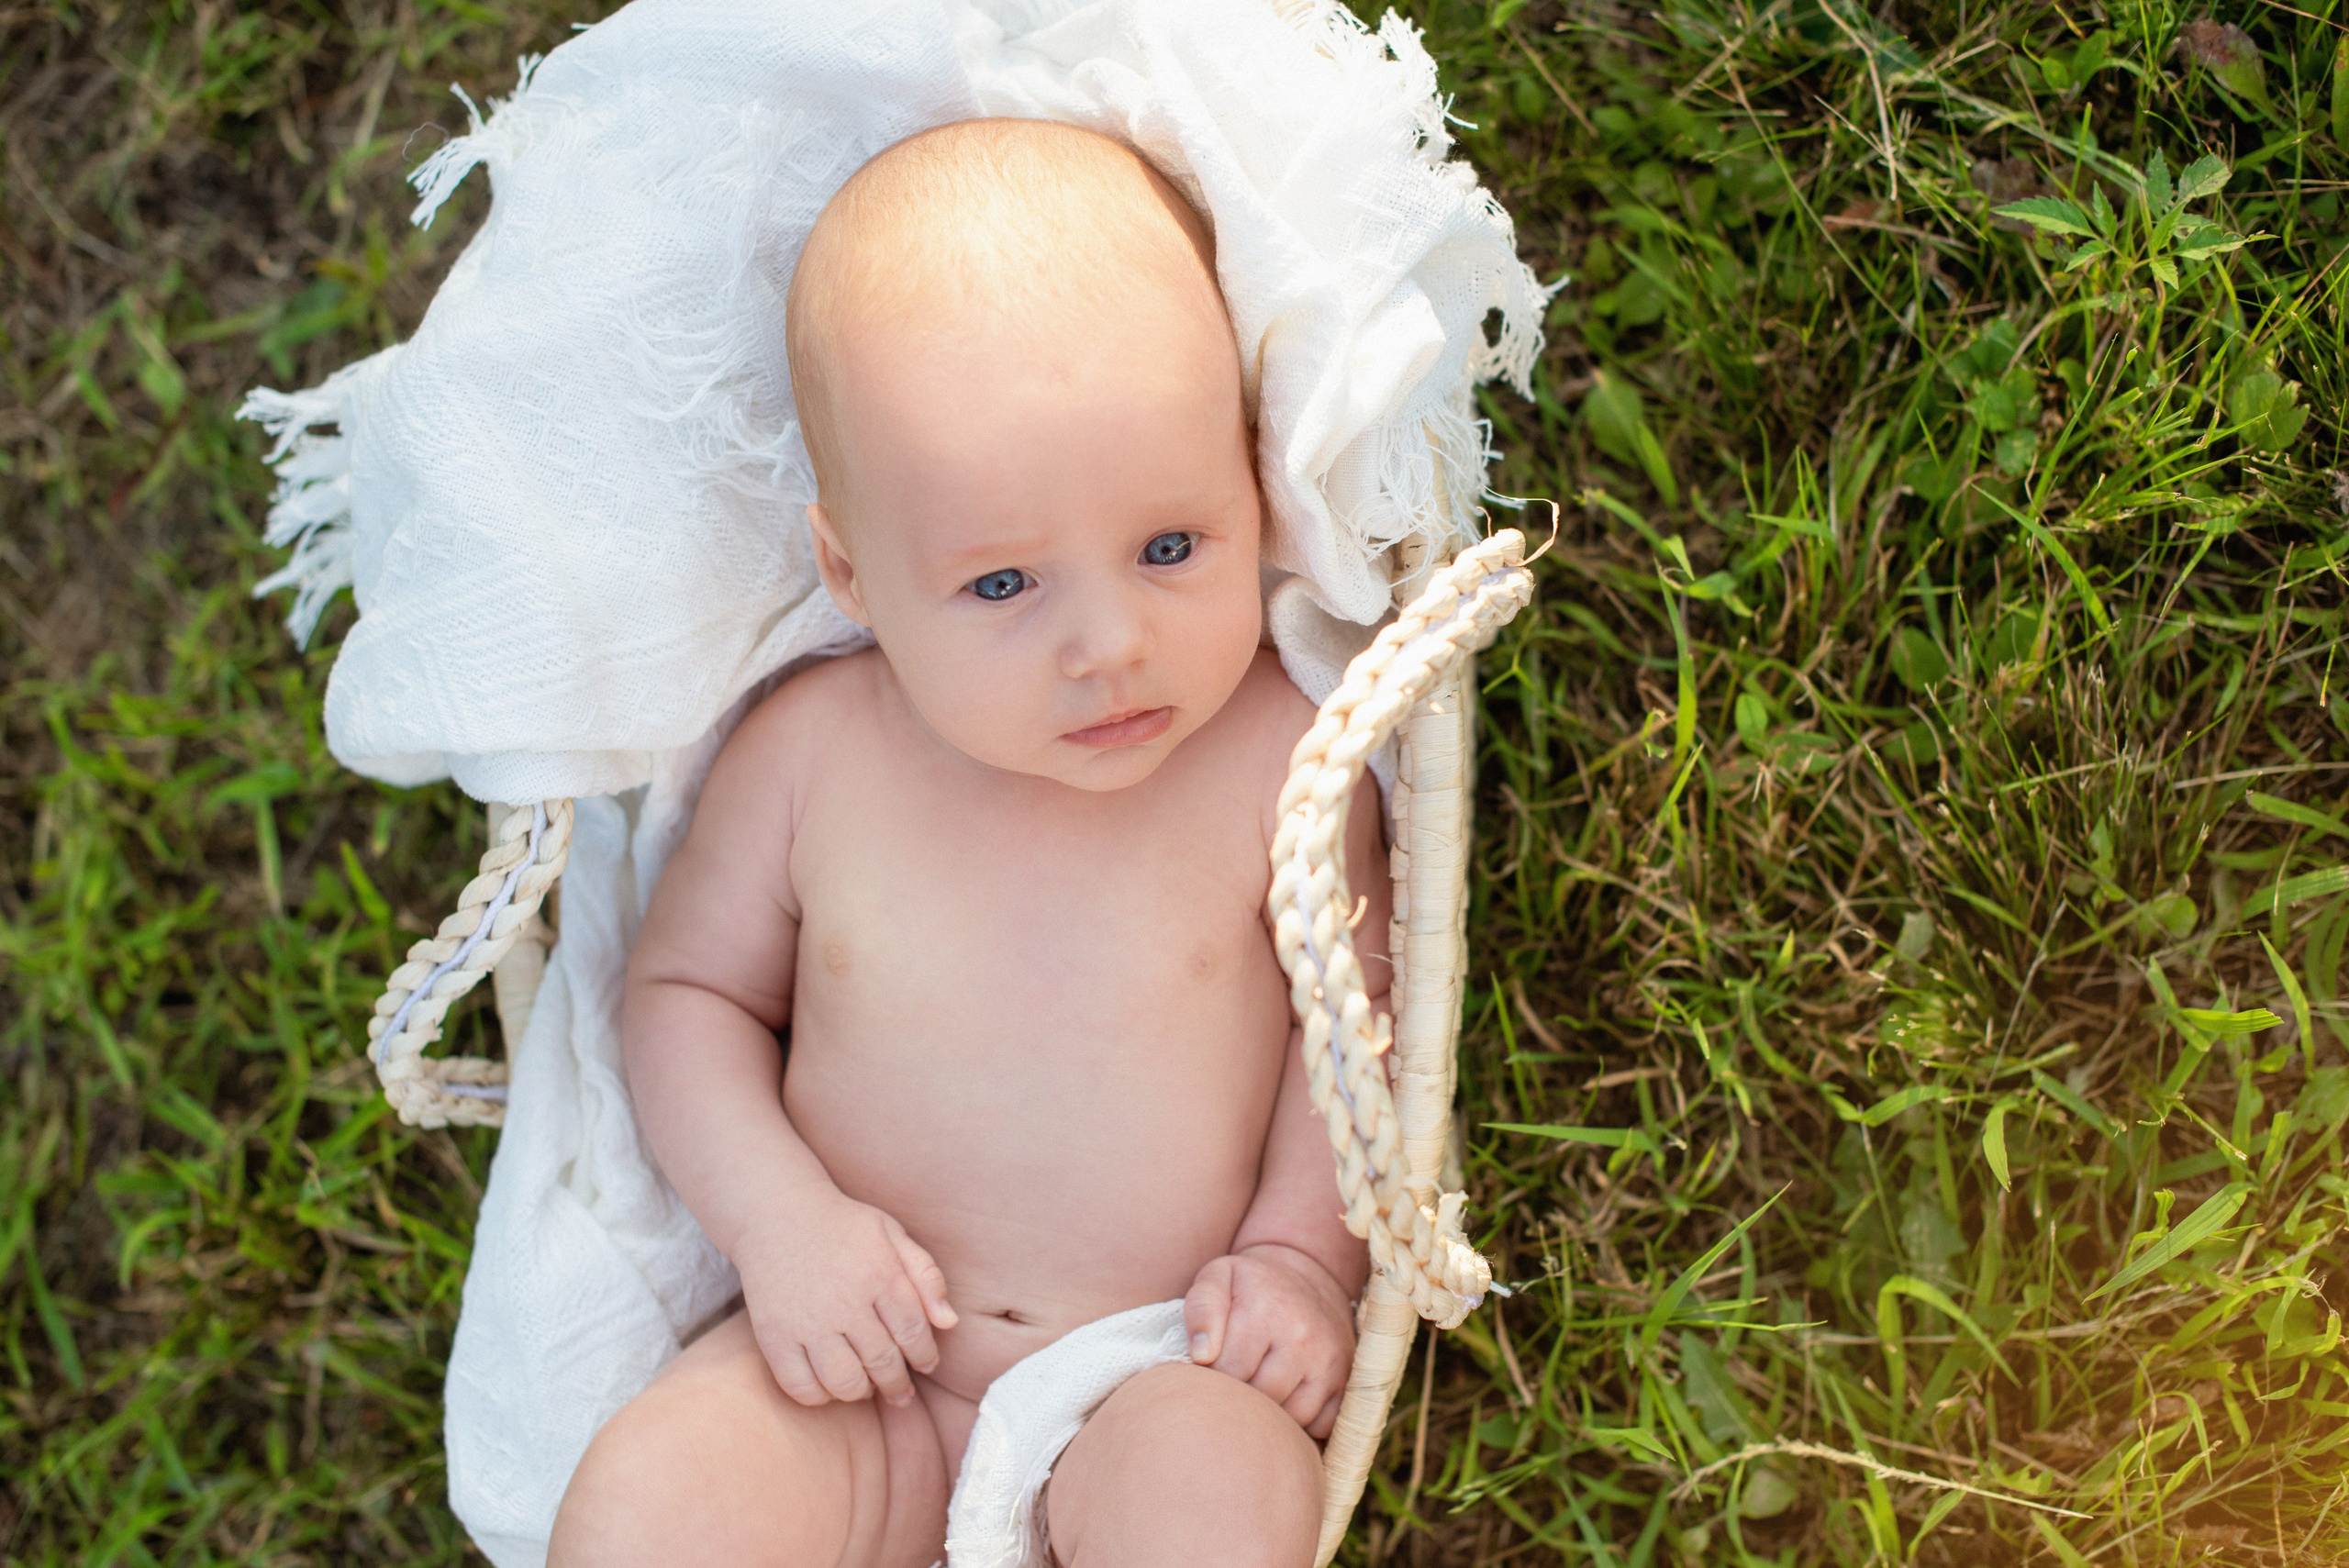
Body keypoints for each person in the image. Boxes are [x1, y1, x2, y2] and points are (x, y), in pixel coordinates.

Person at [548, 117, 1388, 1568]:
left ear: (1250, 479)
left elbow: (1351, 1032)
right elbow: (687, 998)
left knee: (1213, 1505)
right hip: (849, 1371)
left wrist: (1300, 1258)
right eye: (1002, 581)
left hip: (1151, 1362)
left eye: (1172, 546)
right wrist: (783, 1224)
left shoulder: (1283, 758)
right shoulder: (810, 754)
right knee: (648, 1510)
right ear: (852, 571)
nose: (1110, 644)